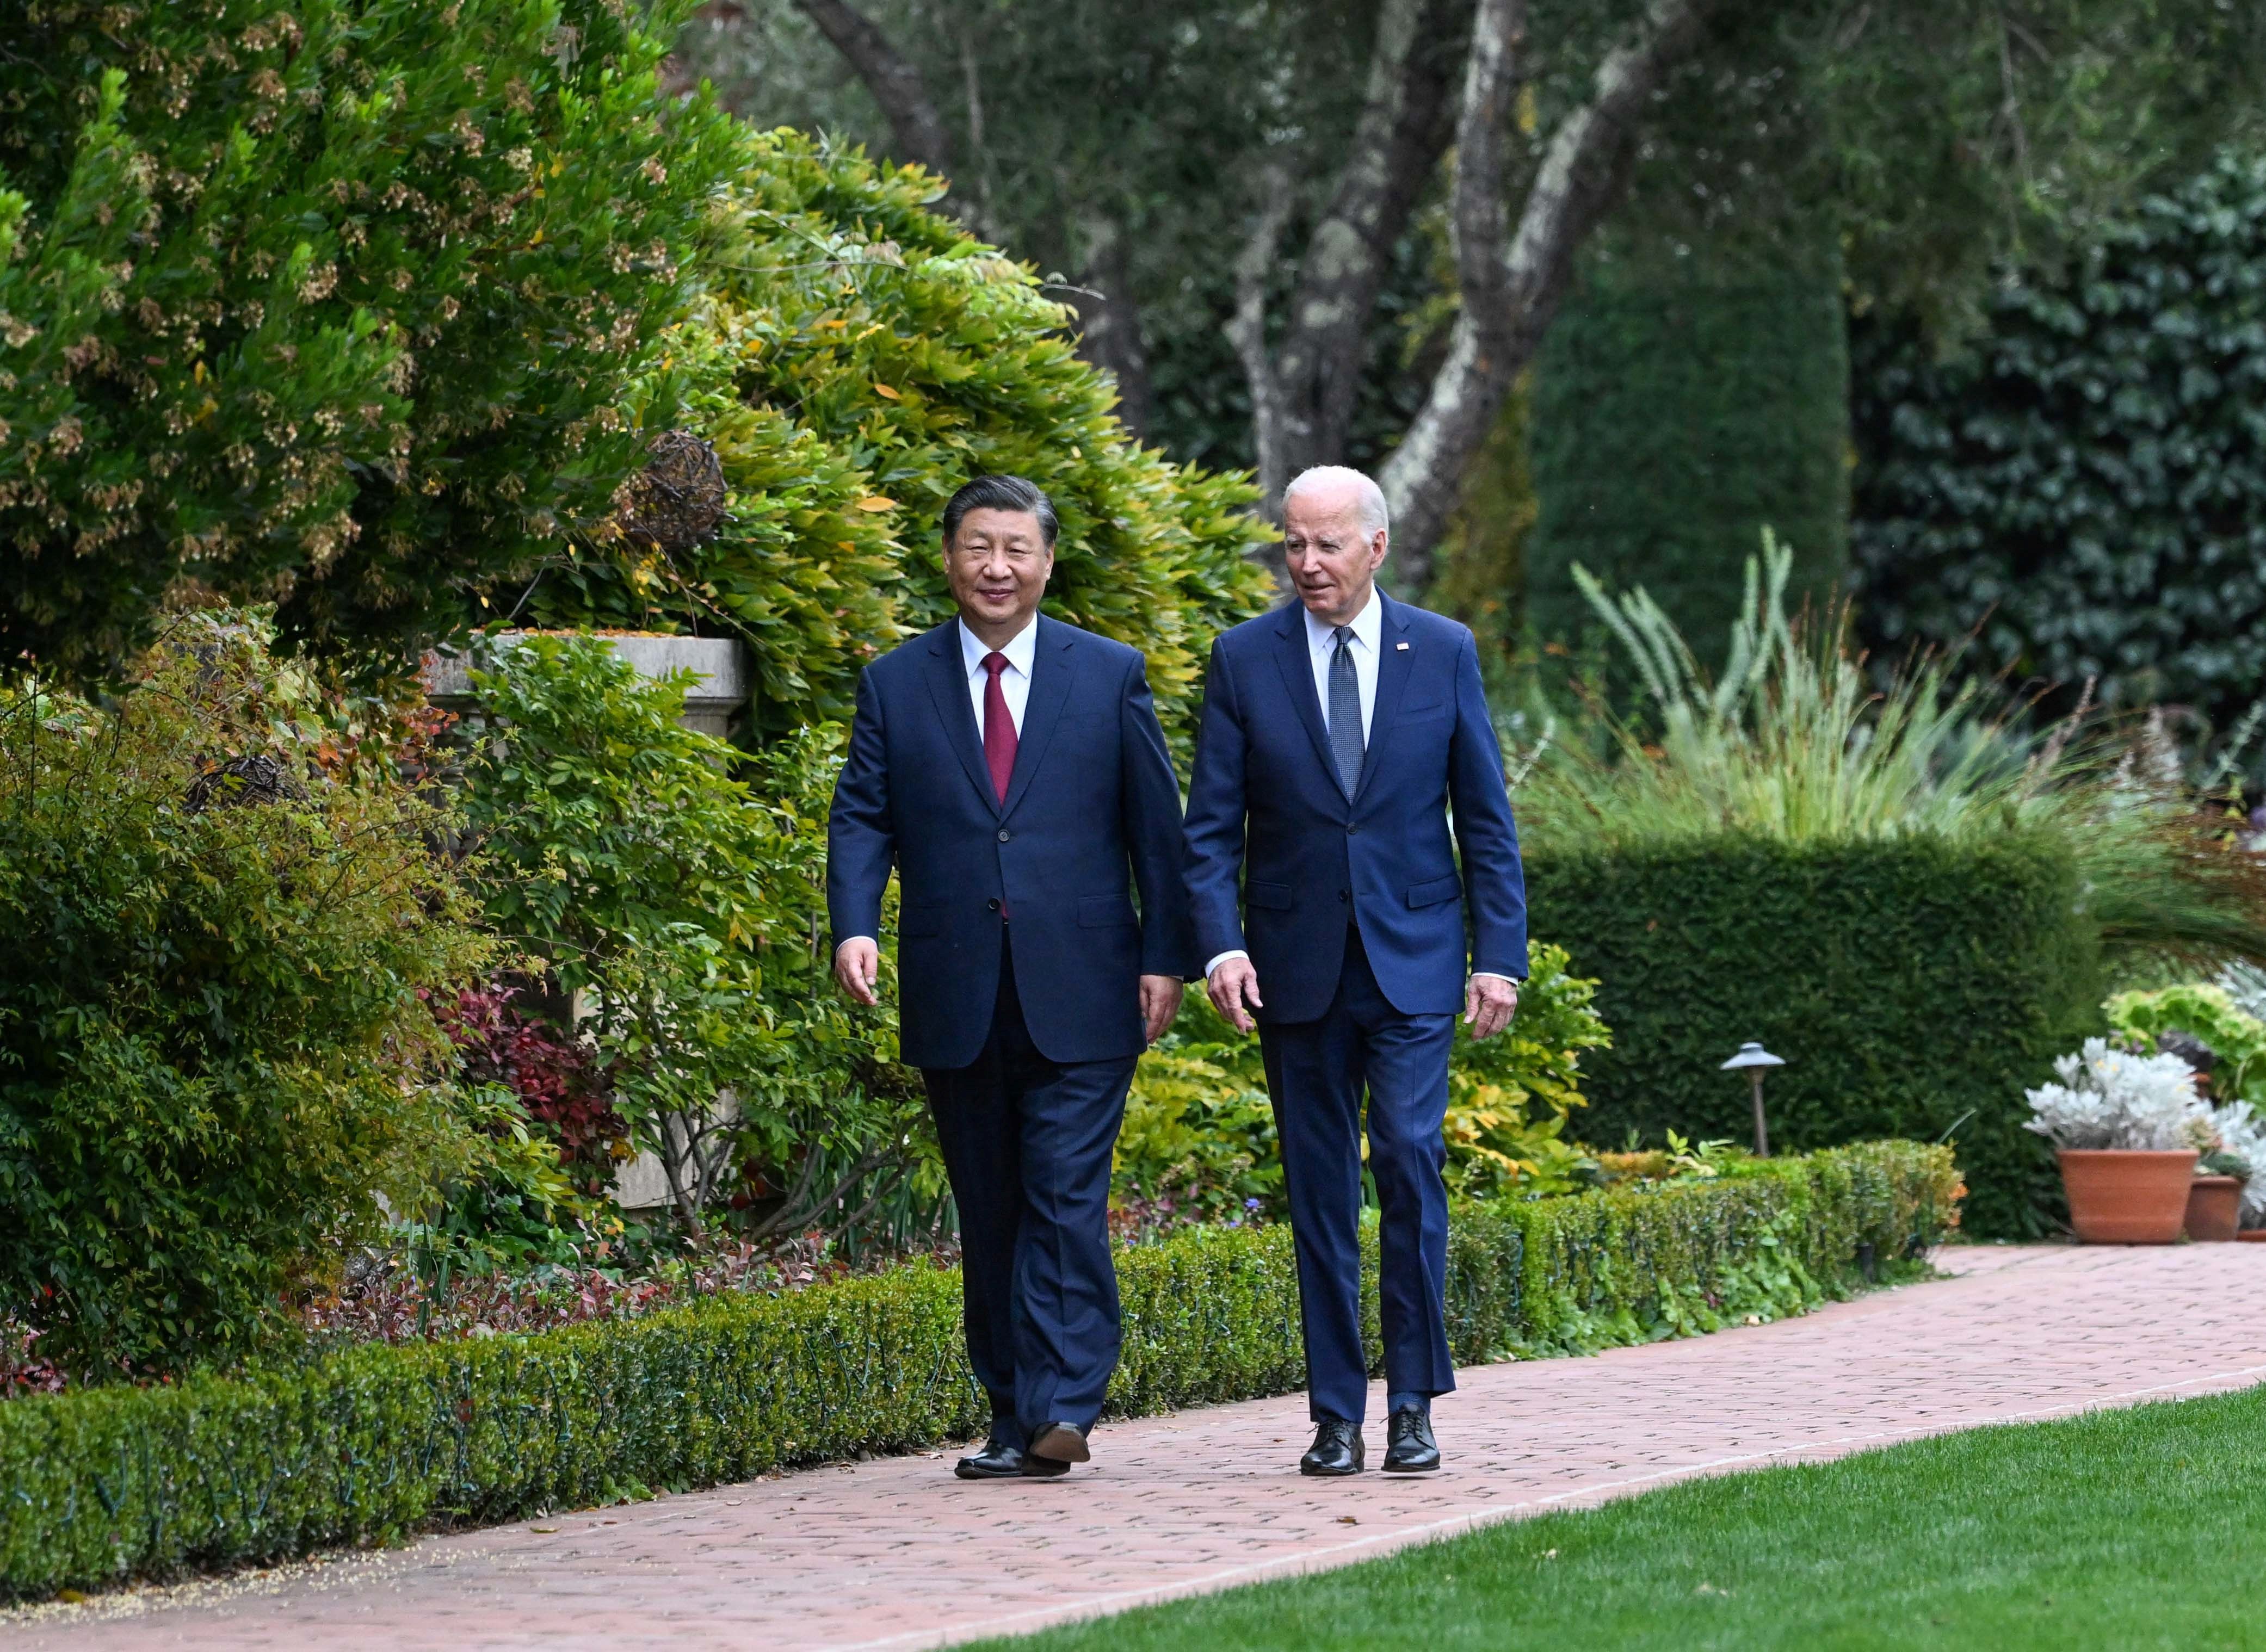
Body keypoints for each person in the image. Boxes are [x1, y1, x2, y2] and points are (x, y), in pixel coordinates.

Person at [828, 474, 1192, 1480]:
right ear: (948, 558)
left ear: (1045, 561)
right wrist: (854, 925)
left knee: (1064, 1193)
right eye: (978, 546)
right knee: (989, 1209)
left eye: (1016, 549)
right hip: (956, 989)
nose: (997, 566)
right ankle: (1010, 1416)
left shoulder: (1107, 672)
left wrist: (1169, 953)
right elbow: (863, 814)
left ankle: (1066, 1398)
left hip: (1088, 985)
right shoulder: (895, 682)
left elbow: (1156, 830)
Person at [1182, 465, 1527, 1476]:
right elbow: (1208, 832)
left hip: (1414, 964)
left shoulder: (1443, 650)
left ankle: (1413, 1402)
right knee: (1318, 1192)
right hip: (1294, 969)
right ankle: (1335, 1412)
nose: (1306, 563)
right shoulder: (1243, 659)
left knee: (1410, 1165)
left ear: (1376, 547)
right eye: (1292, 543)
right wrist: (1221, 942)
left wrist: (1497, 957)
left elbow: (1487, 822)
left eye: (1327, 544)